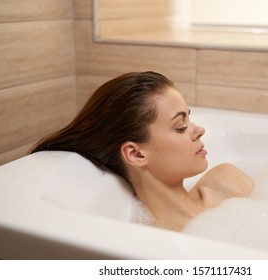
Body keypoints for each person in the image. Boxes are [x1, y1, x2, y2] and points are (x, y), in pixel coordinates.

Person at [31, 71, 254, 231]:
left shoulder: (227, 181)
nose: (199, 130)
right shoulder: (156, 241)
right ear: (136, 154)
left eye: (190, 118)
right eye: (181, 127)